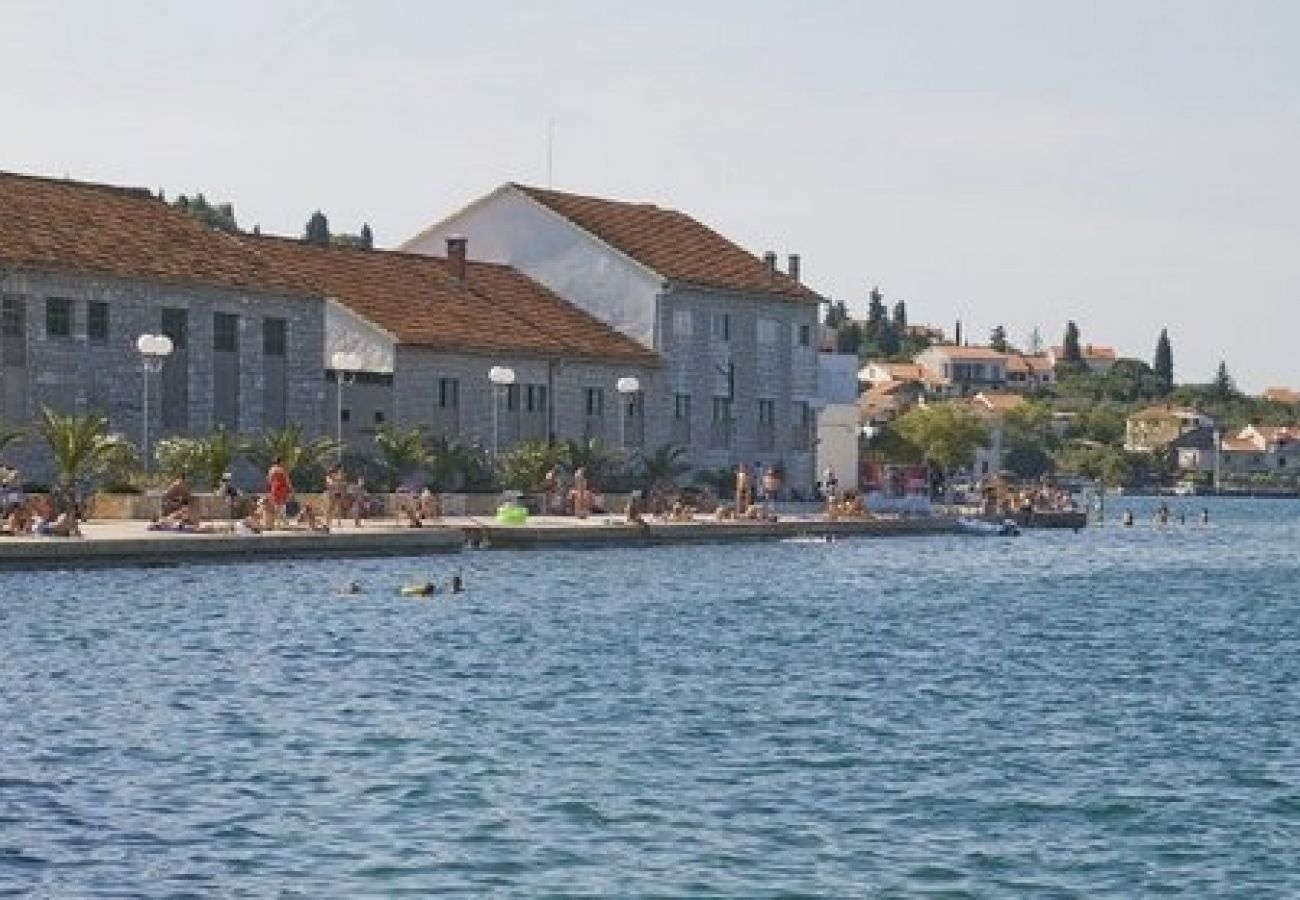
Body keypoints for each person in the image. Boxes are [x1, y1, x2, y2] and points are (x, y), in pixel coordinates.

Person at [266, 458, 292, 529]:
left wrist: (269, 489)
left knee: (276, 505)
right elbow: (286, 480)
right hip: (281, 489)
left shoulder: (271, 470)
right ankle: (283, 522)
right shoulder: (281, 470)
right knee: (281, 505)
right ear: (280, 462)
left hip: (274, 489)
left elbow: (268, 480)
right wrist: (290, 488)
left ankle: (278, 523)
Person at [325, 463, 348, 528]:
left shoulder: (340, 475)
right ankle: (328, 522)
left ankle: (339, 522)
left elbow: (343, 484)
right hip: (332, 493)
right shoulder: (330, 477)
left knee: (339, 507)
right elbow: (330, 484)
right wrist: (337, 481)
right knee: (331, 508)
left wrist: (342, 490)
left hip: (338, 493)